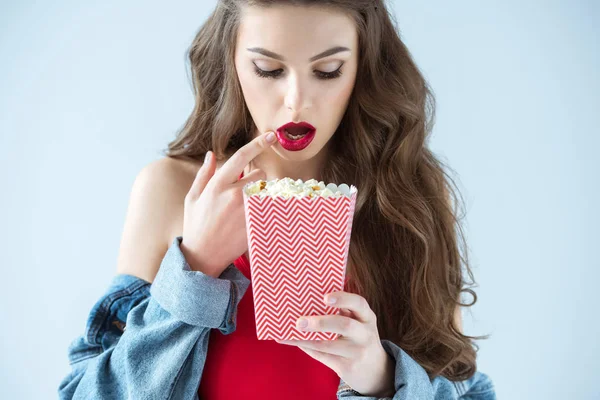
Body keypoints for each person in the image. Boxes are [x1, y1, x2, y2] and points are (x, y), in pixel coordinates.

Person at [58, 1, 497, 399]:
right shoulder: (174, 190)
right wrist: (193, 269)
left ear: (363, 69)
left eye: (328, 71)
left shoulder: (409, 196)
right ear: (232, 64)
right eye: (269, 70)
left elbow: (466, 389)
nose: (296, 103)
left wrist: (384, 381)